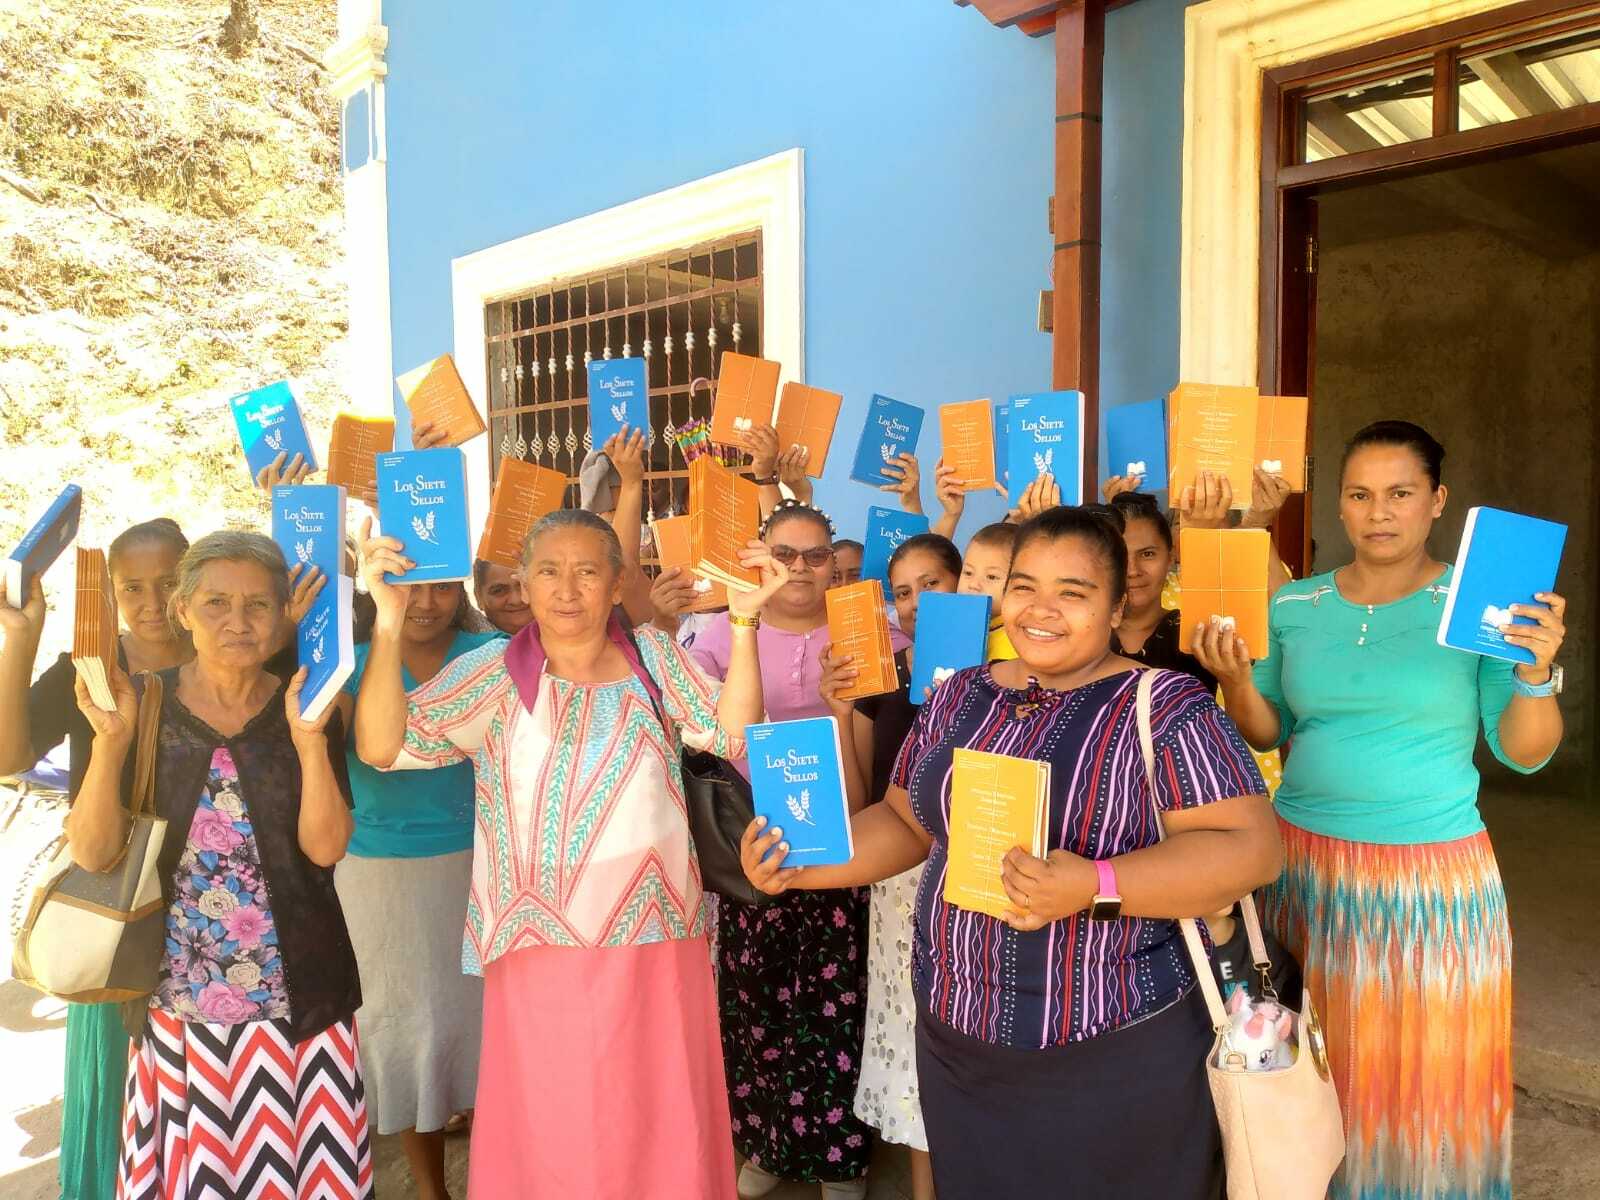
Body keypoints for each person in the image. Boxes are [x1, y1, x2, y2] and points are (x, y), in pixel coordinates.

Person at [742, 506, 1281, 1197]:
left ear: (1118, 607)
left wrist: (1093, 883)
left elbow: (1251, 849)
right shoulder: (962, 693)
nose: (1042, 610)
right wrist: (800, 866)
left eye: (1074, 593)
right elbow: (906, 824)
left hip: (1112, 1050)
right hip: (959, 1043)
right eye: (1024, 587)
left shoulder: (1165, 705)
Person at [354, 507, 785, 1198]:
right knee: (554, 1119)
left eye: (588, 571)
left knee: (654, 1109)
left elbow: (731, 737)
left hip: (655, 935)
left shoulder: (656, 658)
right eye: (549, 571)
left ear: (617, 584)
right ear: (522, 582)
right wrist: (386, 622)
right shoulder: (490, 673)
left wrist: (742, 622)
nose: (566, 590)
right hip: (536, 942)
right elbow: (380, 746)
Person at [1191, 420, 1567, 1199]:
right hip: (1301, 873)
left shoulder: (1481, 610)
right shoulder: (1297, 603)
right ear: (1339, 504)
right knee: (1305, 1077)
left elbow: (1523, 751)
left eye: (1401, 493)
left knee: (1423, 1081)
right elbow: (1273, 728)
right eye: (1360, 495)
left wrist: (1536, 671)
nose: (1379, 512)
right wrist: (1235, 685)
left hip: (1432, 886)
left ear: (1438, 501)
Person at [60, 531, 369, 1198]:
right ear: (183, 609)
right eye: (217, 603)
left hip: (298, 1006)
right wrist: (111, 743)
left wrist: (309, 741)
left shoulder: (305, 702)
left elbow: (325, 848)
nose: (238, 621)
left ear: (284, 613)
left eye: (259, 605)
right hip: (180, 1005)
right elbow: (91, 851)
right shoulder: (135, 703)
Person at [688, 500, 886, 1200]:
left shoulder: (868, 629)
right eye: (786, 555)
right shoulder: (719, 634)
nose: (800, 570)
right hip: (754, 847)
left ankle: (839, 1157)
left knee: (838, 1005)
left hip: (851, 844)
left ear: (834, 560)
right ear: (760, 555)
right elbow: (699, 732)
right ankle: (766, 1147)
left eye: (815, 555)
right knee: (755, 1003)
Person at [0, 518, 192, 1200]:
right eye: (131, 587)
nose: (150, 602)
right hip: (111, 899)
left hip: (207, 902)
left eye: (170, 582)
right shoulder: (89, 666)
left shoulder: (225, 654)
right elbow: (10, 757)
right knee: (115, 1071)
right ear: (108, 594)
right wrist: (19, 639)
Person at [331, 569, 498, 1199]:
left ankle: (500, 1173)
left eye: (442, 588)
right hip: (377, 875)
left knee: (485, 1033)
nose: (425, 602)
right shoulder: (349, 663)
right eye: (409, 588)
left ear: (463, 593)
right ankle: (431, 1188)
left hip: (485, 866)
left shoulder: (494, 656)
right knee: (407, 1033)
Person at [825, 532, 961, 1200]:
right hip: (899, 887)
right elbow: (859, 802)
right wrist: (841, 708)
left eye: (929, 585)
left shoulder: (1003, 676)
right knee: (912, 1043)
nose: (913, 604)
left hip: (977, 885)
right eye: (901, 592)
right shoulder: (886, 680)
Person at [957, 522, 1017, 661]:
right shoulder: (957, 625)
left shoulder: (1018, 640)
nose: (973, 585)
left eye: (991, 577)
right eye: (968, 572)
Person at [473, 558, 530, 635]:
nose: (517, 600)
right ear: (478, 597)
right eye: (498, 591)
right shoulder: (467, 646)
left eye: (526, 586)